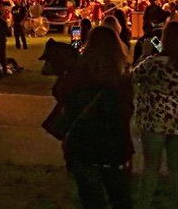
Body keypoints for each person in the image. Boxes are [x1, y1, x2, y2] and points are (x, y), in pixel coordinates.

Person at [53, 26, 133, 209]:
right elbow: (126, 110)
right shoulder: (123, 79)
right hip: (114, 143)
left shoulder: (79, 74)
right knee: (120, 197)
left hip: (83, 142)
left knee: (91, 198)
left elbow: (61, 94)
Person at [134, 22, 178, 209]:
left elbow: (134, 76)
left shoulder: (153, 63)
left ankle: (144, 204)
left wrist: (145, 53)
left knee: (151, 168)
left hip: (156, 119)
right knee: (177, 169)